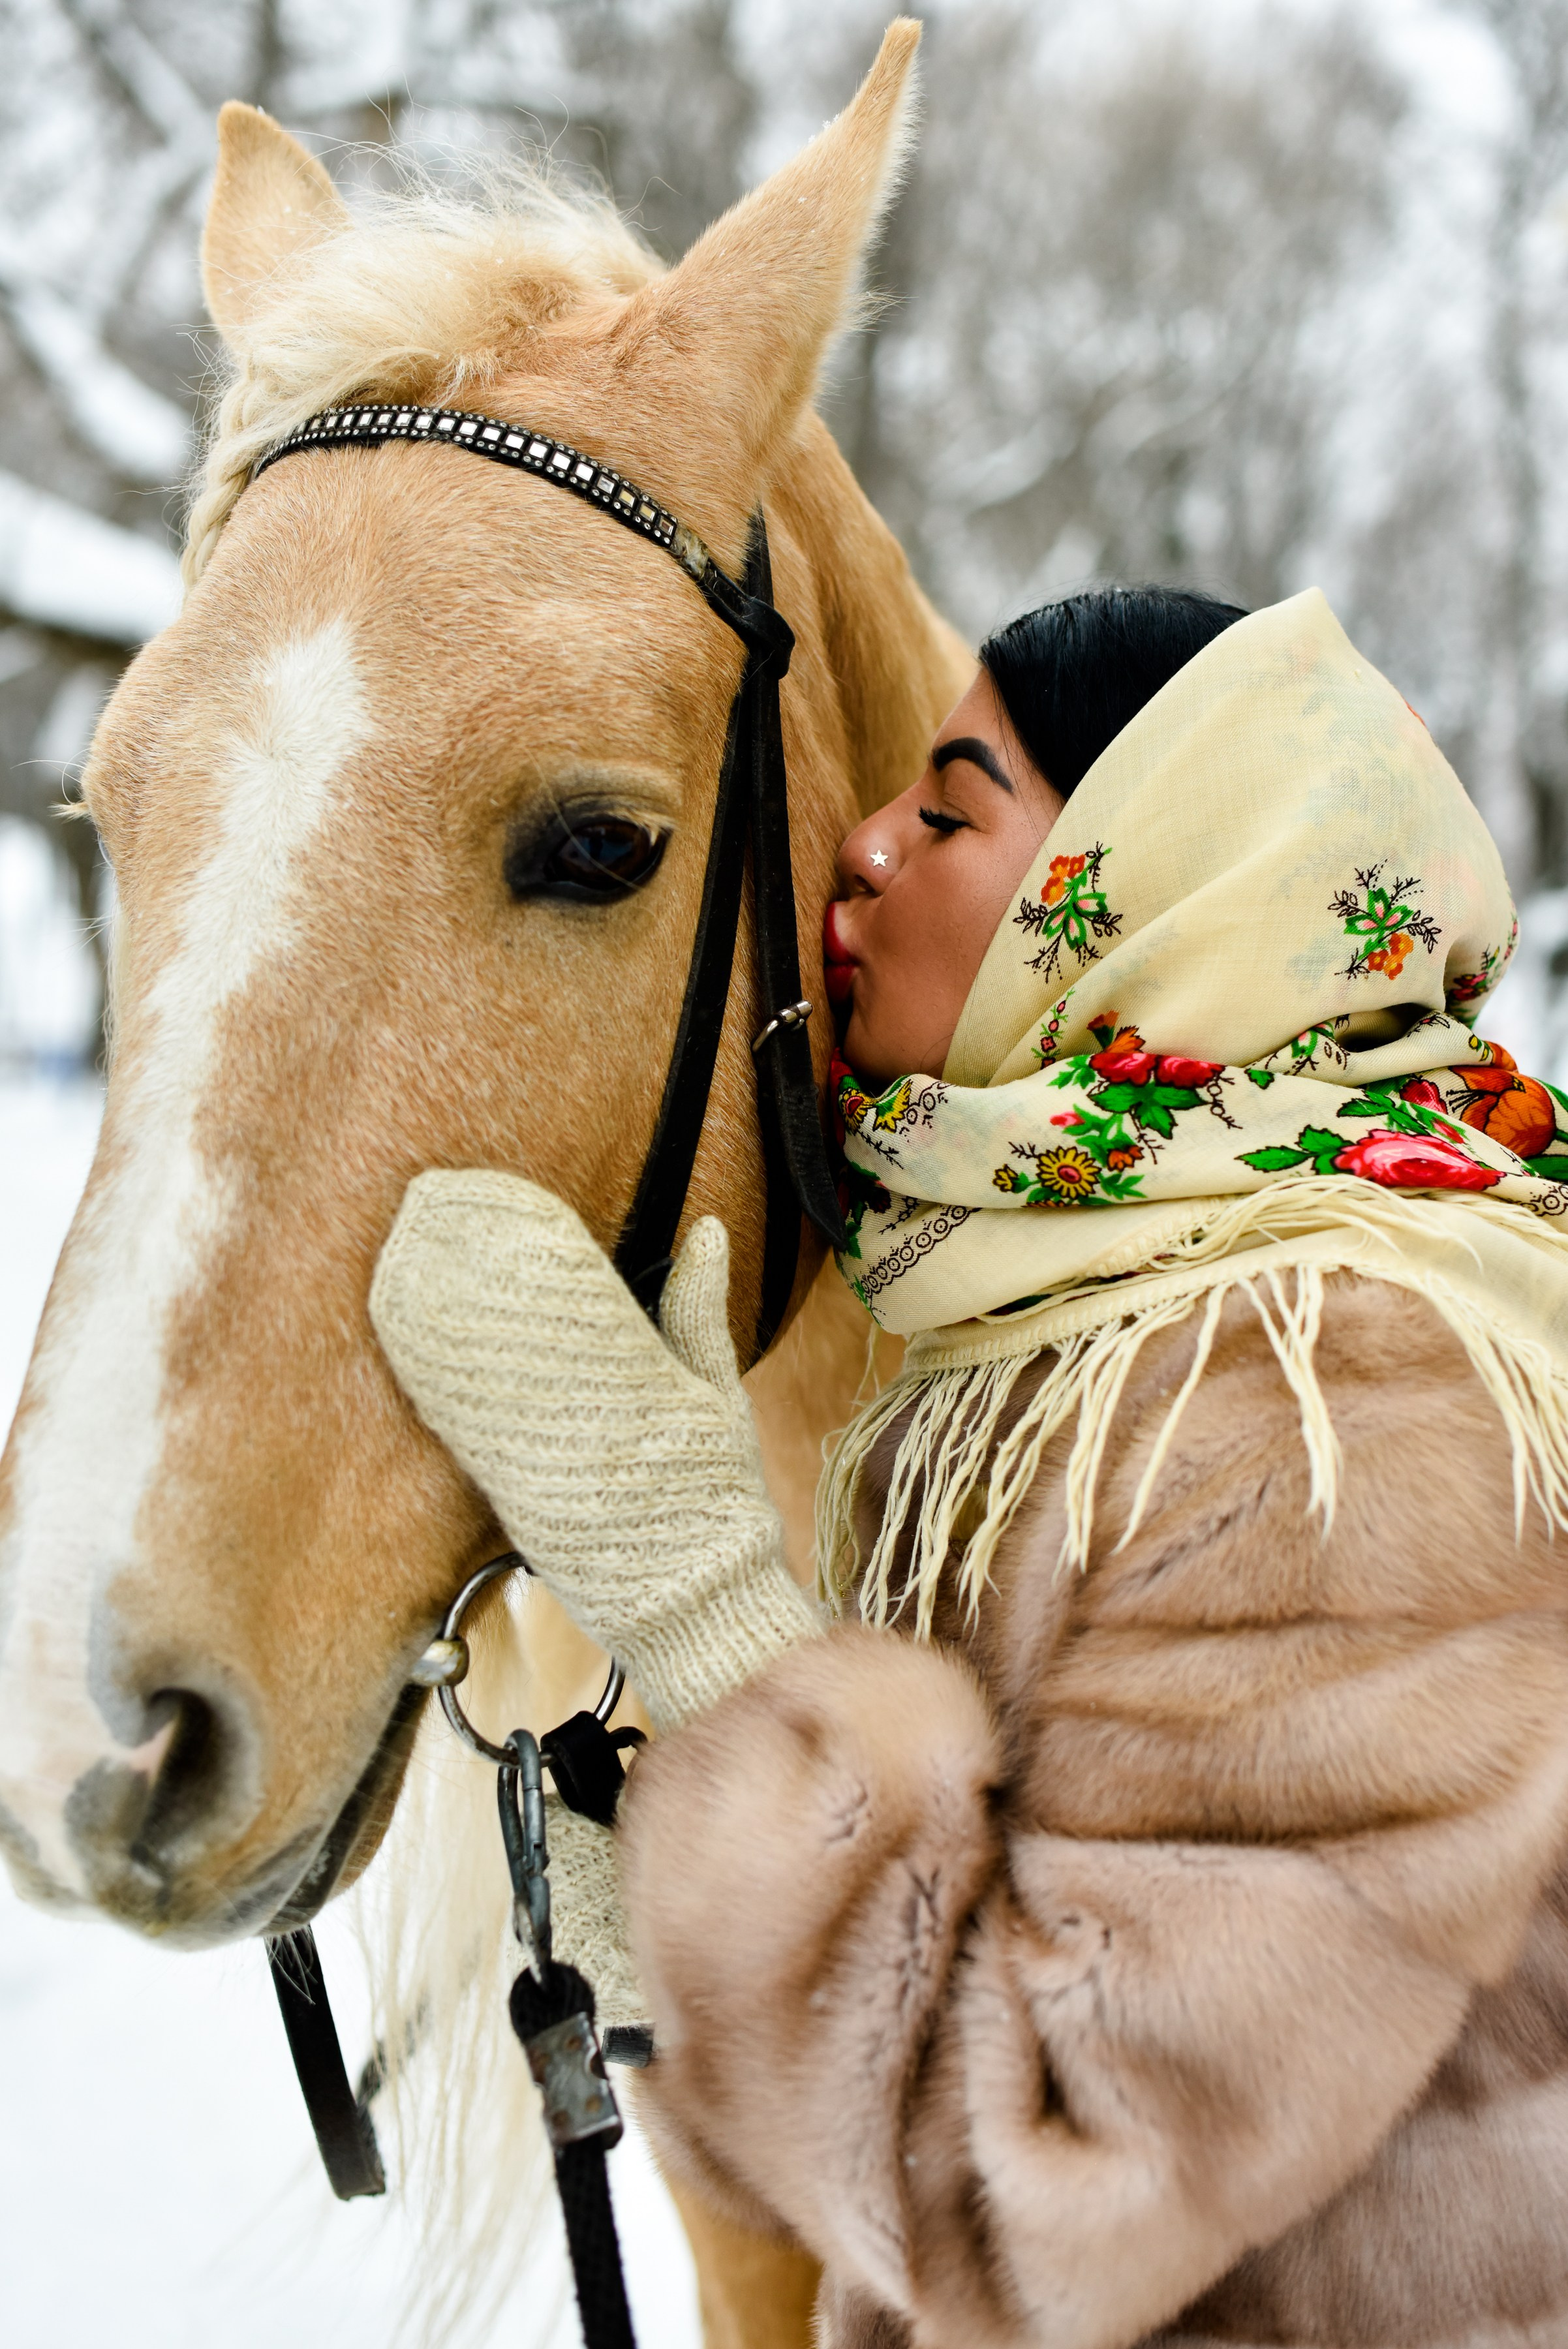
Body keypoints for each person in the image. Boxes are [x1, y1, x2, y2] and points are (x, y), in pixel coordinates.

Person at [370, 583, 1568, 2349]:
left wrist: (703, 1611)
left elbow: (1049, 2205)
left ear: (1150, 899)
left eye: (947, 812)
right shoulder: (1080, 1314)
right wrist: (693, 1877)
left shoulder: (1326, 1392)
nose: (861, 848)